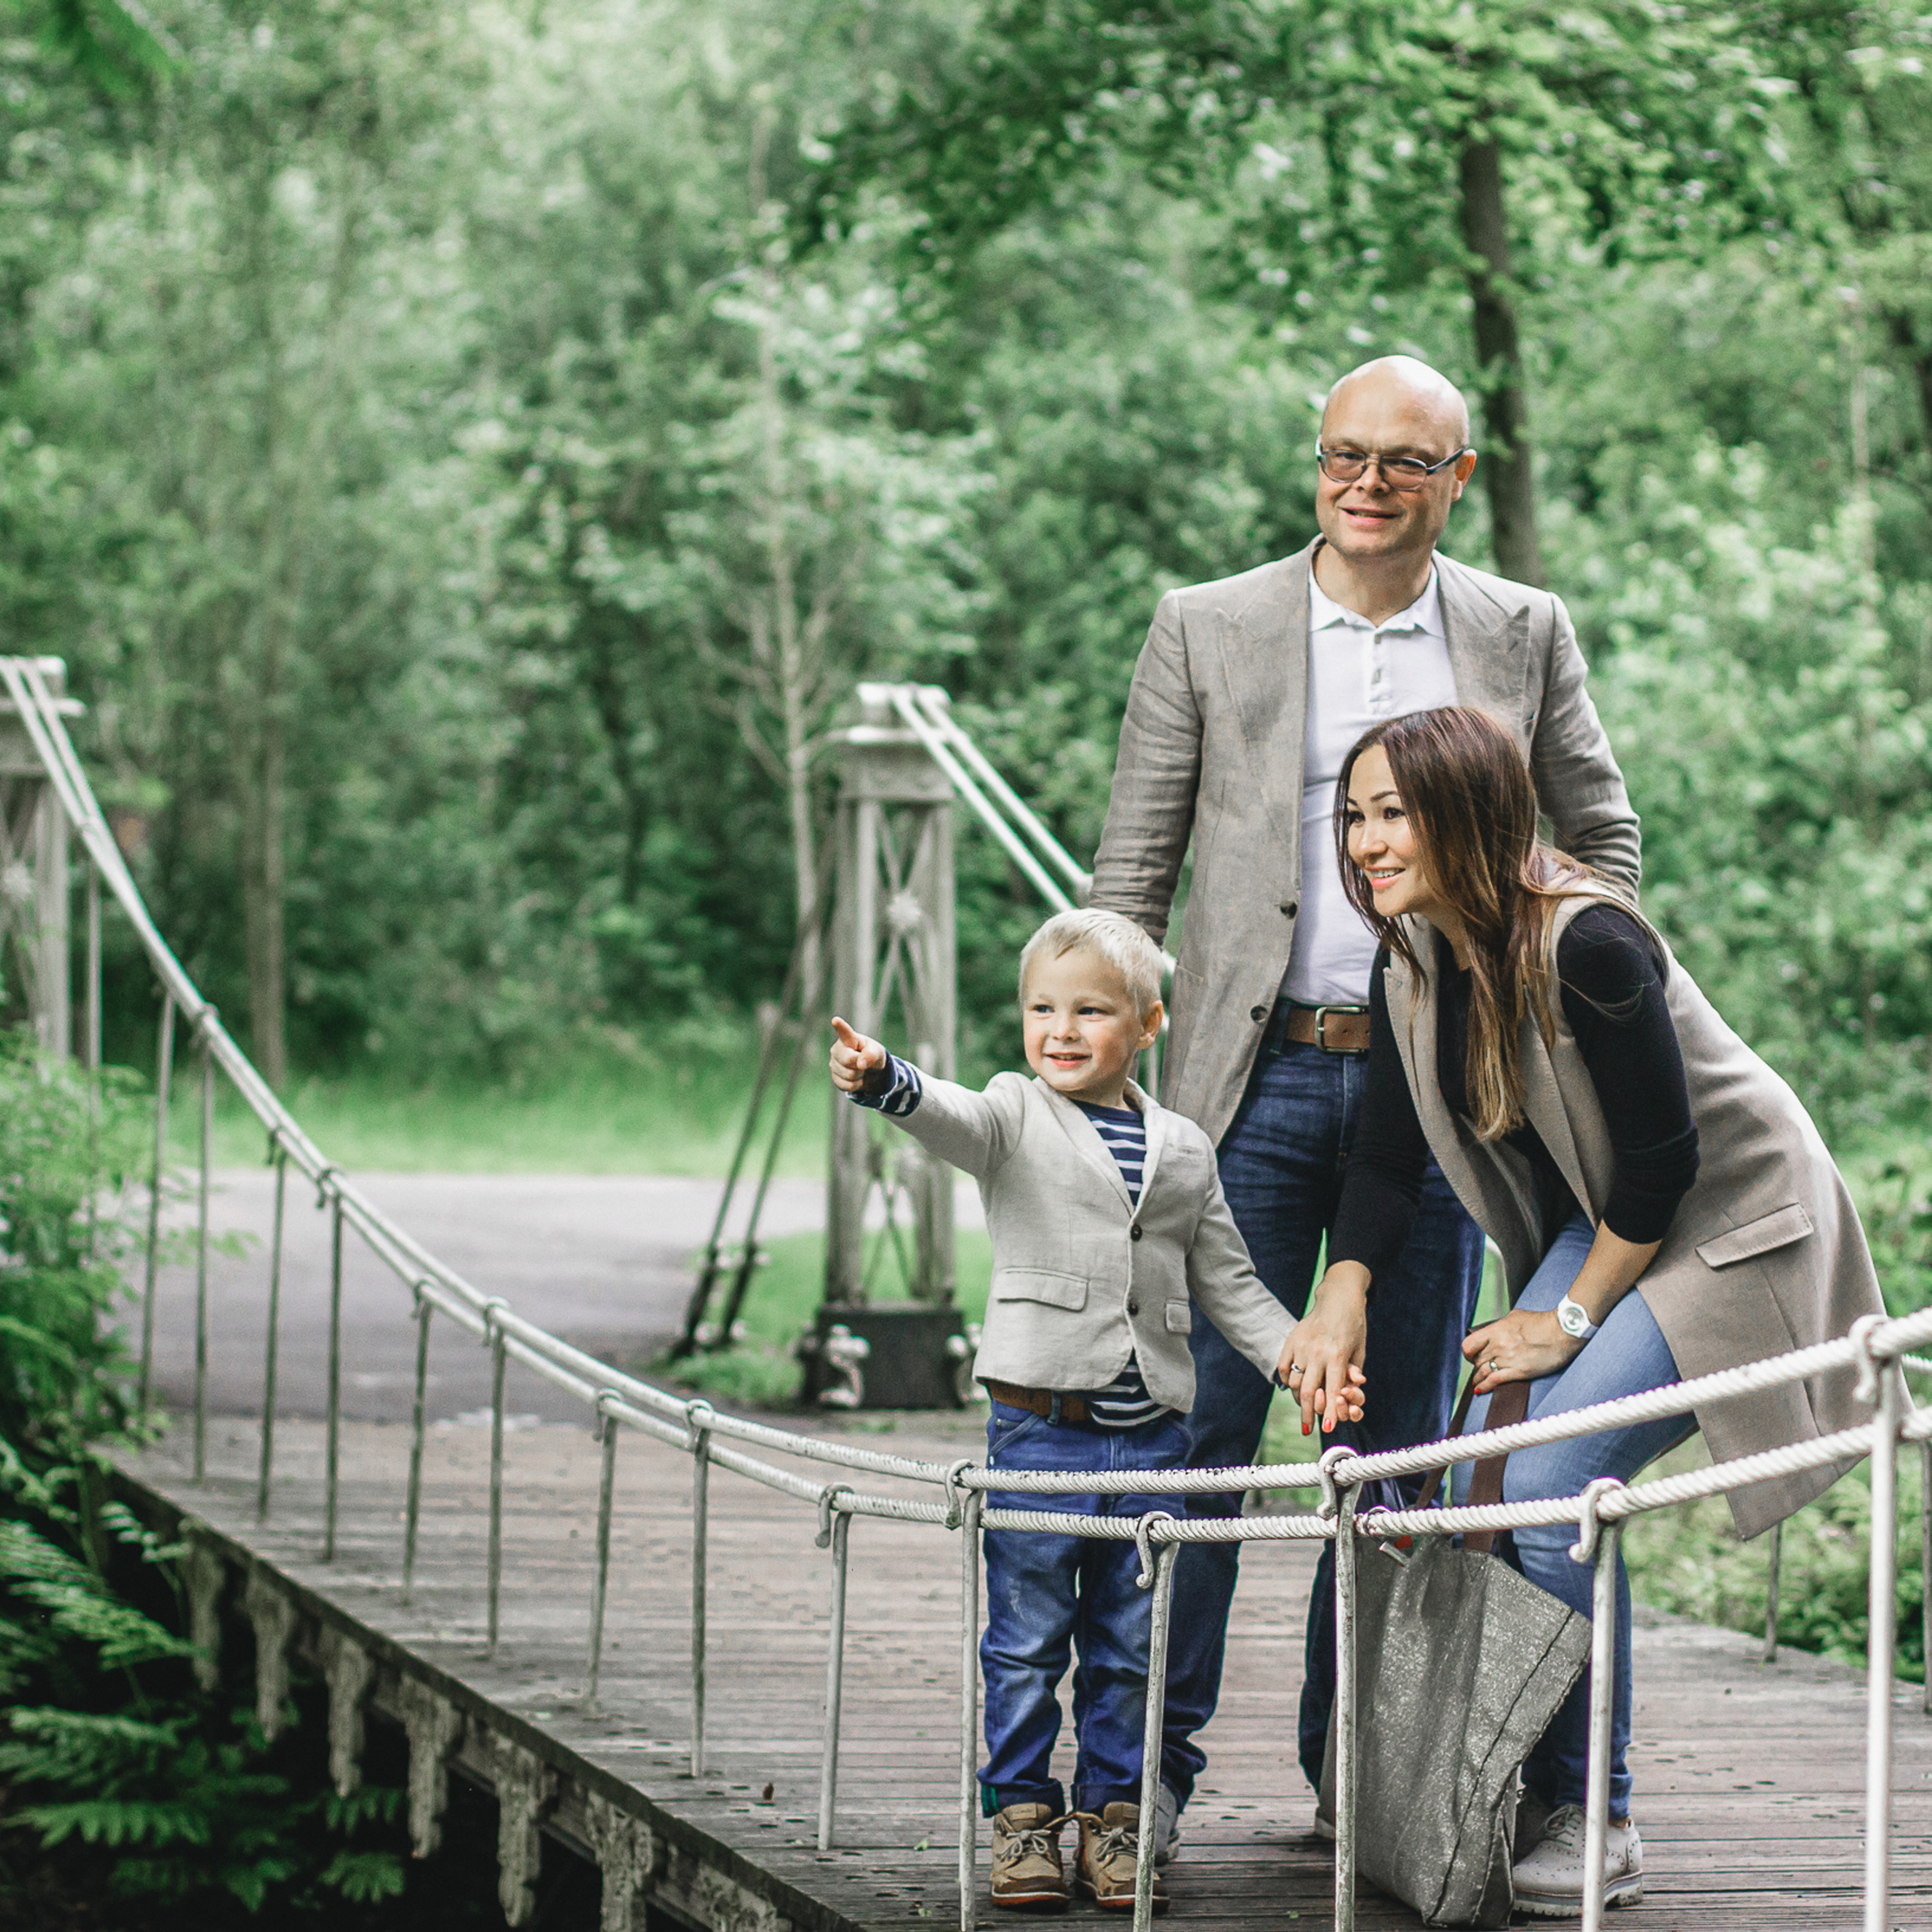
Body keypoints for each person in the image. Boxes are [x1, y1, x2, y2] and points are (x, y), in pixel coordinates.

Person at [1087, 352, 1643, 1835]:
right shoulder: (1205, 625)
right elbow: (1128, 878)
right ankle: (1141, 1776)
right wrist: (1097, 1099)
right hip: (1242, 1087)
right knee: (1196, 1431)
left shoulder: (1522, 633)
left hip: (1444, 1102)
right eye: (1343, 451)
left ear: (1453, 477)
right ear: (1314, 460)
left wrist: (1543, 1016)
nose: (1366, 480)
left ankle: (1362, 1787)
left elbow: (1603, 840)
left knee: (1391, 1451)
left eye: (1404, 458)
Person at [1283, 705, 1884, 1916]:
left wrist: (1558, 1326)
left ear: (1470, 813)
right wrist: (1338, 1296)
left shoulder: (1590, 942)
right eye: (1354, 815)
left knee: (1555, 1475)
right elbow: (1387, 1166)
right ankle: (1510, 1787)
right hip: (1611, 1220)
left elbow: (1664, 1164)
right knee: (1482, 1478)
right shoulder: (1414, 958)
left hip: (1726, 1220)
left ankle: (1595, 1817)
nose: (1366, 841)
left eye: (1394, 812)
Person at [827, 909, 1325, 1912]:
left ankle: (1116, 1818)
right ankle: (1021, 1819)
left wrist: (1296, 1358)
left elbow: (1229, 1281)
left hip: (1152, 1439)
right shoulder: (1014, 1111)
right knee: (1024, 1636)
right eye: (1043, 1009)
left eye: (1090, 1011)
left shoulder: (1183, 1148)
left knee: (1130, 1641)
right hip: (1039, 1424)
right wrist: (891, 1081)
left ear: (1148, 1026)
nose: (1060, 1029)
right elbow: (951, 1117)